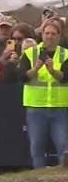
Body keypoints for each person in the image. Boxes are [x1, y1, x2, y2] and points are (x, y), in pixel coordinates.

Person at [18, 20, 68, 169]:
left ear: (59, 36)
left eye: (53, 34)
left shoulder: (65, 54)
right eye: (47, 33)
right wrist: (35, 69)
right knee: (37, 146)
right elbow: (22, 77)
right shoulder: (29, 54)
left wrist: (53, 71)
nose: (50, 37)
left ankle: (63, 180)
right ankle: (38, 181)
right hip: (36, 107)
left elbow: (65, 78)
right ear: (42, 35)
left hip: (59, 107)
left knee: (63, 146)